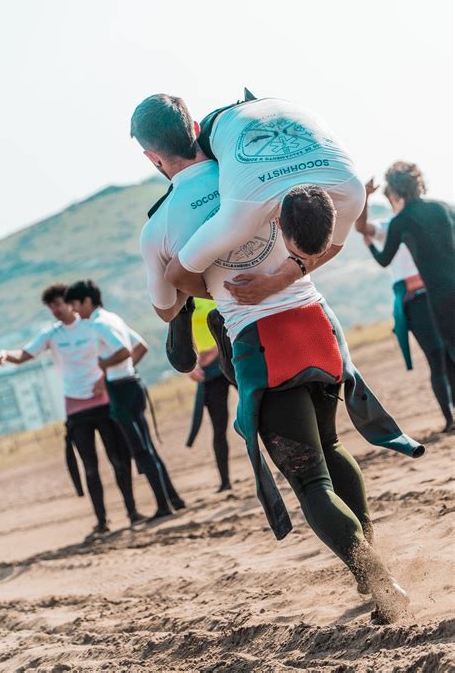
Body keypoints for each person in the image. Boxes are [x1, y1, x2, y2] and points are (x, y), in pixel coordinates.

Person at [138, 130, 424, 623]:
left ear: (152, 156)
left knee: (311, 481)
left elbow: (168, 309)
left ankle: (376, 576)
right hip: (316, 326)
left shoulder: (162, 221)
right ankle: (367, 567)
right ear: (198, 135)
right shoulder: (248, 177)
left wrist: (196, 286)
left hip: (264, 347)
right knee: (331, 450)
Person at [131, 92, 366, 303]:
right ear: (278, 221)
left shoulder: (352, 191)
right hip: (222, 125)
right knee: (189, 162)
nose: (299, 263)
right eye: (295, 256)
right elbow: (176, 272)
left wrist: (278, 282)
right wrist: (228, 296)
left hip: (279, 105)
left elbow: (332, 246)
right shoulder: (244, 210)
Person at [0, 283, 142, 539]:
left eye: (58, 303)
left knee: (118, 460)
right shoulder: (52, 334)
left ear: (70, 302)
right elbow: (25, 355)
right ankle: (101, 520)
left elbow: (128, 346)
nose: (55, 309)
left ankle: (132, 511)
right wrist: (6, 354)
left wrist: (110, 375)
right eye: (50, 306)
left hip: (104, 399)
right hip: (76, 406)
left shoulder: (93, 324)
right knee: (90, 467)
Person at [64, 279, 185, 521]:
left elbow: (124, 351)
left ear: (87, 301)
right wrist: (124, 369)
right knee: (147, 448)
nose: (75, 311)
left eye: (76, 304)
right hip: (131, 383)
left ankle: (163, 506)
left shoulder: (98, 325)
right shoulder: (112, 318)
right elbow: (140, 346)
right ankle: (172, 499)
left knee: (141, 451)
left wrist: (104, 366)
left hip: (120, 390)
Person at [356, 177, 453, 432]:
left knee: (445, 356)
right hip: (421, 299)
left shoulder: (415, 220)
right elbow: (362, 227)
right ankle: (450, 419)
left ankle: (451, 418)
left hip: (434, 295)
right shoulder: (390, 225)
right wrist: (364, 198)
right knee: (439, 359)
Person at [186, 298, 233, 492]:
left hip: (229, 355)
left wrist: (217, 347)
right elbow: (182, 334)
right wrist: (191, 365)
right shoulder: (183, 298)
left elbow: (231, 315)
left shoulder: (212, 287)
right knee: (218, 426)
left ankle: (287, 465)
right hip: (208, 369)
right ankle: (225, 481)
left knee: (259, 413)